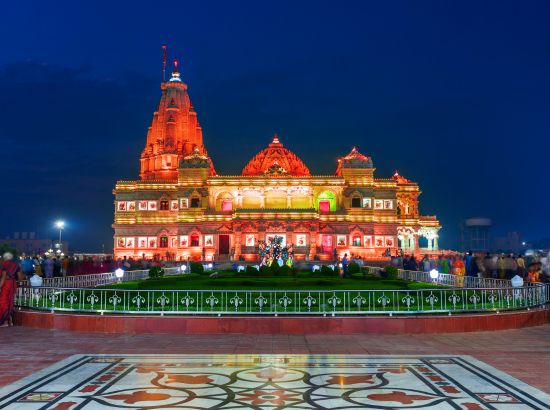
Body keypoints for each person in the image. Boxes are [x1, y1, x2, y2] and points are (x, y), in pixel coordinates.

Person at [0, 253, 23, 327]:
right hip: (13, 284)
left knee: (3, 302)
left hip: (6, 284)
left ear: (5, 258)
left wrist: (0, 286)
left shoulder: (4, 264)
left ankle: (5, 322)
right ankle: (10, 321)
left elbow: (3, 277)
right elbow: (20, 277)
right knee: (10, 301)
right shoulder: (16, 265)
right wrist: (18, 283)